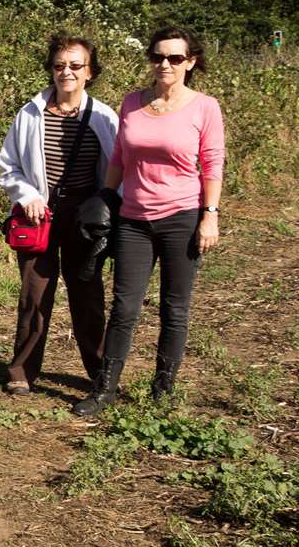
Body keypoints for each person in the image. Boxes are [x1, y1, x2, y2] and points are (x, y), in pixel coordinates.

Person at [74, 25, 225, 416]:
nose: (165, 64)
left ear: (191, 62)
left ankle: (163, 389)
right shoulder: (132, 103)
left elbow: (211, 165)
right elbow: (121, 158)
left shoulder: (204, 107)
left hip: (182, 216)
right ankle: (105, 389)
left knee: (175, 308)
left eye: (175, 58)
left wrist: (210, 216)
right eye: (158, 56)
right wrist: (106, 200)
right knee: (124, 307)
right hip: (133, 218)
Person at [0, 34, 119, 395]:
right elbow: (8, 167)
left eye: (76, 65)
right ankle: (22, 370)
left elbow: (117, 170)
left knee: (88, 295)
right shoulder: (30, 114)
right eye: (59, 65)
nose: (67, 72)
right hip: (39, 218)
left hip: (86, 219)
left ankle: (98, 371)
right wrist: (28, 196)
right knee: (34, 295)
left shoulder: (103, 117)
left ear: (90, 72)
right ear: (51, 70)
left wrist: (108, 209)